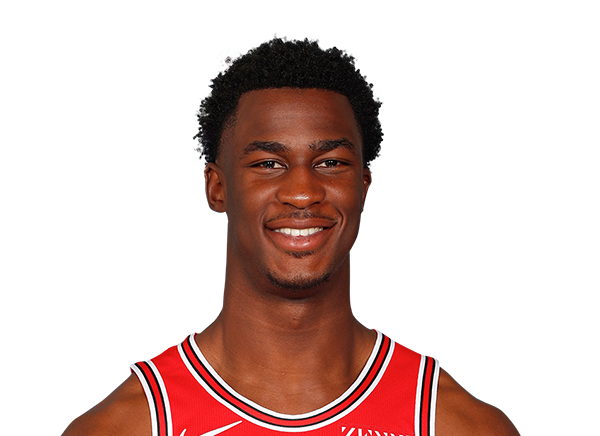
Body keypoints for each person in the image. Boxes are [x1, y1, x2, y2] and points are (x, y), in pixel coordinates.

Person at [64, 35, 519, 436]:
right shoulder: (127, 427)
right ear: (217, 188)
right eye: (268, 164)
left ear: (362, 187)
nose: (302, 192)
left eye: (331, 163)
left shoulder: (454, 425)